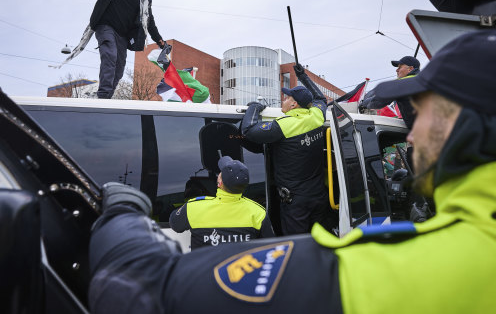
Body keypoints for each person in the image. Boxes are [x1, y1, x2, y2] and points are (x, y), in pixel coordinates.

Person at [87, 29, 496, 313]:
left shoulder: (400, 269)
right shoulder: (316, 120)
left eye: (420, 113)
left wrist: (122, 211)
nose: (410, 134)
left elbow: (142, 293)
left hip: (295, 202)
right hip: (311, 200)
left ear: (469, 125)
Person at [240, 64, 332, 235]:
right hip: (318, 197)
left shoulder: (283, 126)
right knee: (319, 240)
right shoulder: (317, 116)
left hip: (296, 203)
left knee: (296, 245)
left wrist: (255, 107)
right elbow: (321, 99)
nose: (284, 100)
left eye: (287, 98)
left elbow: (247, 131)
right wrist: (303, 76)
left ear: (294, 105)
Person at [81, 0, 166, 99]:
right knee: (110, 55)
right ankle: (102, 96)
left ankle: (106, 98)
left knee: (119, 69)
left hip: (122, 37)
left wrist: (159, 40)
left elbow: (149, 21)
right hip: (105, 27)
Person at [169, 156, 272, 250]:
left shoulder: (193, 208)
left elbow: (175, 224)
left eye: (221, 173)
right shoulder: (258, 213)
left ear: (219, 182)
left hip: (205, 270)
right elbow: (270, 247)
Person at [362, 55, 420, 129]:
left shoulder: (402, 84)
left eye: (400, 67)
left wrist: (363, 104)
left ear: (410, 69)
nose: (397, 70)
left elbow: (378, 101)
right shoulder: (424, 82)